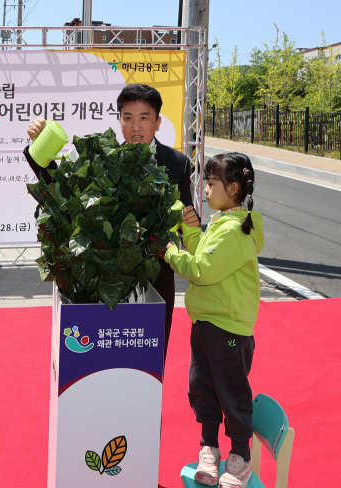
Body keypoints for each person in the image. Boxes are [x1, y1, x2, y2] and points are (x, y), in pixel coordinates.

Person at [24, 83, 197, 364]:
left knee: (151, 361)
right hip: (107, 279)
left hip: (157, 279)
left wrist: (190, 224)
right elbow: (65, 191)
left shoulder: (176, 162)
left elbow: (186, 214)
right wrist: (39, 145)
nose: (136, 126)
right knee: (109, 360)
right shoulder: (103, 158)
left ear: (157, 122)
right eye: (128, 118)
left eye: (144, 118)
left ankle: (149, 409)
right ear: (119, 121)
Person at [164, 152, 263, 488]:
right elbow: (202, 253)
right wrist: (190, 231)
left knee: (231, 393)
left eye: (210, 184)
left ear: (232, 187)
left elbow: (201, 270)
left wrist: (168, 251)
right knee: (203, 387)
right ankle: (209, 448)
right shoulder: (222, 223)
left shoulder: (234, 231)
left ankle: (240, 457)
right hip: (207, 323)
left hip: (228, 328)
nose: (204, 190)